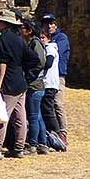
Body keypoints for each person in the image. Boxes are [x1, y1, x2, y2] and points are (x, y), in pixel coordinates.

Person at [0, 12, 31, 161]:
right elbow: (32, 59)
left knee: (1, 116)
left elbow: (3, 62)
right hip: (21, 82)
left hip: (9, 83)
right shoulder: (19, 39)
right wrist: (25, 73)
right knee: (20, 117)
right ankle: (19, 148)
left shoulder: (3, 38)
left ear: (6, 24)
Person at [23, 20, 52, 155]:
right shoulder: (32, 43)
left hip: (35, 85)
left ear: (29, 30)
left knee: (33, 116)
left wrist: (30, 74)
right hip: (36, 85)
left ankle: (33, 144)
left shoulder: (34, 43)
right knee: (38, 116)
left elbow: (41, 62)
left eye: (23, 28)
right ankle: (43, 143)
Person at [41, 14, 70, 146]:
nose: (49, 26)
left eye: (51, 23)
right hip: (45, 76)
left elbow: (55, 53)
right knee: (46, 105)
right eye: (46, 23)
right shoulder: (44, 39)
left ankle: (62, 133)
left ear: (56, 25)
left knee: (58, 104)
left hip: (57, 75)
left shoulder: (61, 38)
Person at [37, 27, 67, 152]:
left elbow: (48, 63)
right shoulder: (47, 48)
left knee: (49, 110)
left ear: (48, 39)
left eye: (43, 38)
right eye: (40, 38)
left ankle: (57, 134)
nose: (41, 40)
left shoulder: (50, 48)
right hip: (47, 83)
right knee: (46, 110)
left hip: (50, 84)